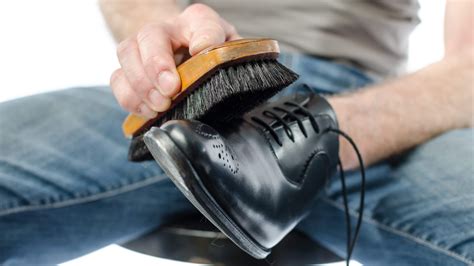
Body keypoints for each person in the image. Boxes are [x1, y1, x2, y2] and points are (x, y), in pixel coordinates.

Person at [0, 0, 472, 265]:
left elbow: (467, 69)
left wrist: (325, 125)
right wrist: (163, 43)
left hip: (370, 105)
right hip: (186, 100)